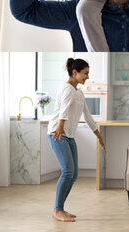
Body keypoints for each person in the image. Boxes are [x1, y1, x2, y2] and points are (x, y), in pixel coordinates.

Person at [47, 58, 106, 222]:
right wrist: (60, 127)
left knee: (73, 175)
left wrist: (99, 137)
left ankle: (60, 208)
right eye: (85, 73)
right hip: (57, 133)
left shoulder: (79, 92)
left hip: (69, 135)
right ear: (75, 72)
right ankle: (57, 210)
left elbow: (88, 117)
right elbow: (64, 109)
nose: (88, 76)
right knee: (67, 171)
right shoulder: (66, 88)